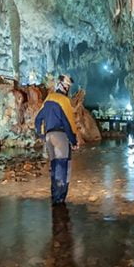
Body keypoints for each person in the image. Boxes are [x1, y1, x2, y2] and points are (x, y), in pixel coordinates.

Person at [34, 74, 78, 205]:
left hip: (49, 137)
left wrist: (42, 135)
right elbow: (69, 123)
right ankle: (60, 199)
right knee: (63, 166)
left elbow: (38, 120)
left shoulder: (48, 98)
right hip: (60, 136)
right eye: (68, 87)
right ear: (65, 87)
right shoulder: (64, 101)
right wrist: (74, 140)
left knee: (54, 166)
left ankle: (54, 196)